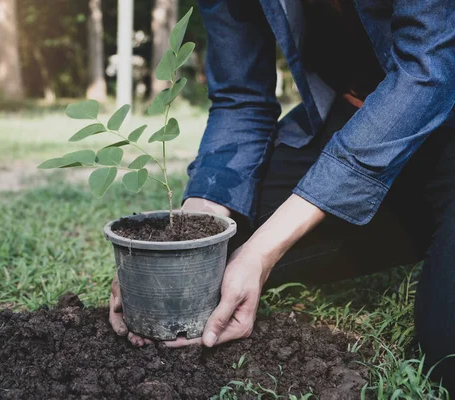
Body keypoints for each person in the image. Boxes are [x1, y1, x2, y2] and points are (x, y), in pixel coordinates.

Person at [109, 0, 455, 386]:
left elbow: (428, 73)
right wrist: (191, 239)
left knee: (447, 350)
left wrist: (261, 251)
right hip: (359, 119)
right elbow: (241, 98)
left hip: (443, 115)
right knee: (215, 257)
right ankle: (408, 216)